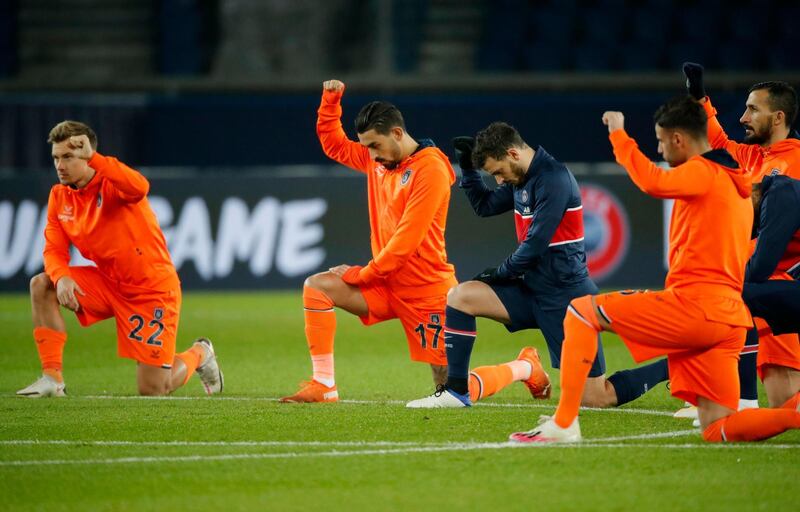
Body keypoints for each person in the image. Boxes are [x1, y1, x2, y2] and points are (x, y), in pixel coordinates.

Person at [509, 97, 800, 444]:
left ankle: (564, 423)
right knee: (717, 428)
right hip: (730, 319)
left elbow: (653, 183)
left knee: (581, 312)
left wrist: (619, 135)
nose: (660, 150)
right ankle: (792, 417)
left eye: (661, 141)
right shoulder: (737, 182)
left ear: (679, 138)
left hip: (696, 308)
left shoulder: (704, 171)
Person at [281, 81, 546, 403]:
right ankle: (324, 384)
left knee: (452, 393)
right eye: (367, 147)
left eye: (375, 145)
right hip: (385, 283)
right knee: (318, 286)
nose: (371, 155)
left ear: (396, 134)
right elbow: (333, 144)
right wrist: (331, 102)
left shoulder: (431, 169)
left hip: (425, 289)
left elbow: (407, 239)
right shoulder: (377, 161)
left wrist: (362, 274)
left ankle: (524, 367)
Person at [406, 122, 668, 408]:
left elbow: (535, 245)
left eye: (497, 172)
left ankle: (675, 367)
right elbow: (485, 206)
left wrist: (500, 273)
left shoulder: (553, 178)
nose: (498, 181)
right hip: (529, 289)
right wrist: (468, 169)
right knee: (461, 297)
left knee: (594, 398)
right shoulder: (520, 178)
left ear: (513, 154)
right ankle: (456, 392)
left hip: (565, 299)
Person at [17, 121, 223, 398]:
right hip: (109, 284)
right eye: (56, 157)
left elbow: (139, 186)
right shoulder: (60, 197)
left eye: (68, 157)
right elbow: (53, 248)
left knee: (153, 389)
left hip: (150, 289)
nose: (60, 165)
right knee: (43, 284)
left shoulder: (113, 184)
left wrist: (96, 159)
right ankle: (52, 378)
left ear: (88, 156)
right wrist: (62, 276)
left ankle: (201, 353)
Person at [673, 63, 800, 418]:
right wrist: (697, 95)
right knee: (785, 407)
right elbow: (714, 138)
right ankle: (720, 392)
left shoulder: (796, 164)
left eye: (752, 109)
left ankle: (737, 399)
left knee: (721, 295)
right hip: (762, 277)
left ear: (777, 118)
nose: (743, 116)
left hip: (783, 280)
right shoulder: (751, 156)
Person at [740, 174, 800, 407]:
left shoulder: (780, 193)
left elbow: (758, 270)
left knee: (736, 296)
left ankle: (745, 401)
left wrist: (718, 281)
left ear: (752, 192)